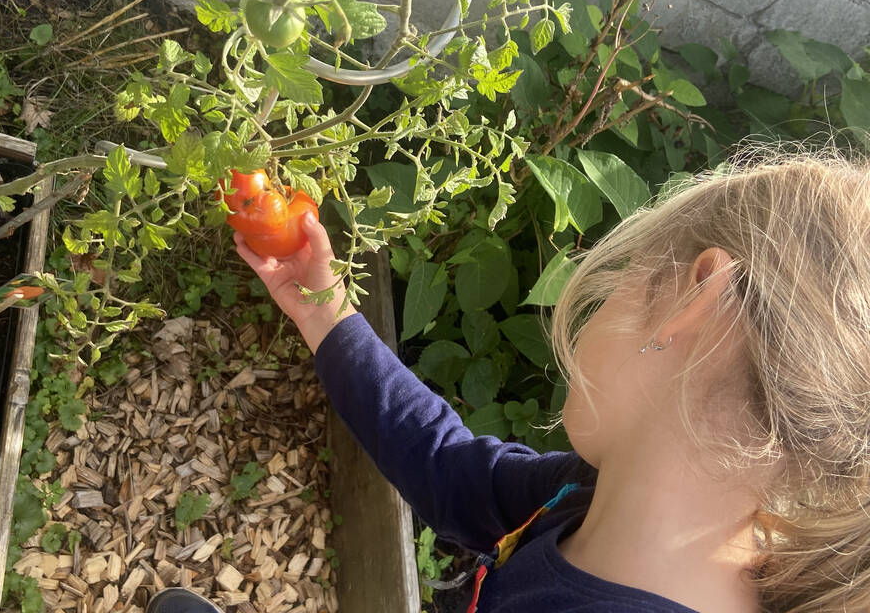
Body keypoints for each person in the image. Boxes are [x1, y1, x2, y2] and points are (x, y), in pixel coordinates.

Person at [152, 146, 870, 613]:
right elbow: (453, 471)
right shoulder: (594, 495)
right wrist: (324, 311)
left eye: (627, 271)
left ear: (696, 301)